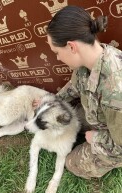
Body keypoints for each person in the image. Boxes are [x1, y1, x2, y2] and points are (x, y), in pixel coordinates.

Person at [46, 5, 122, 179]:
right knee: (61, 118)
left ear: (71, 47)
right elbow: (75, 86)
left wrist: (94, 138)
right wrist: (51, 101)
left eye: (57, 52)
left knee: (71, 163)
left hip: (117, 140)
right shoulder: (89, 60)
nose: (57, 58)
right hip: (102, 116)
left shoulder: (116, 93)